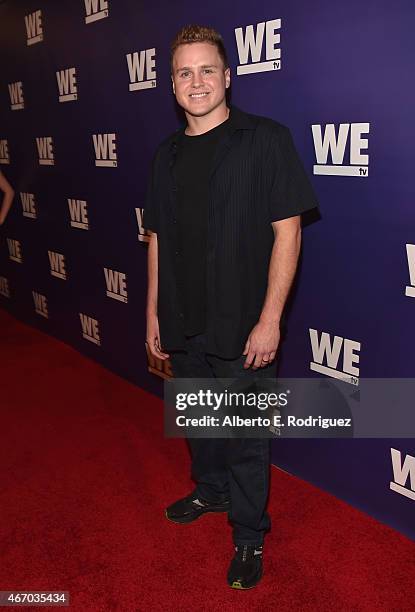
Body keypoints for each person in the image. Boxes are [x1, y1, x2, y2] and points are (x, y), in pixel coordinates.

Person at [144, 24, 318, 589]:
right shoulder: (164, 155)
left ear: (228, 78)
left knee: (246, 435)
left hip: (244, 322)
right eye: (184, 72)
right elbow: (158, 241)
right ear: (172, 84)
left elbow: (288, 233)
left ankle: (249, 537)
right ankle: (211, 493)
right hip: (181, 320)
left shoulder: (266, 139)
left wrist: (271, 320)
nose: (196, 82)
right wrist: (151, 311)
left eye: (207, 70)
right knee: (200, 422)